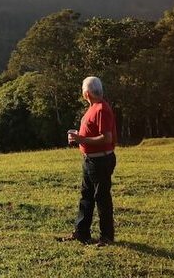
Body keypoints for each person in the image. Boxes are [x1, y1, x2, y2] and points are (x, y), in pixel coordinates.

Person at [62, 76, 117, 247]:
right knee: (86, 197)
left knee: (102, 198)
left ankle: (107, 237)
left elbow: (106, 138)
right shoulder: (93, 107)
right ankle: (81, 233)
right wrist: (80, 137)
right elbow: (93, 132)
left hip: (100, 160)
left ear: (86, 93)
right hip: (90, 160)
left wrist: (81, 139)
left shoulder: (101, 109)